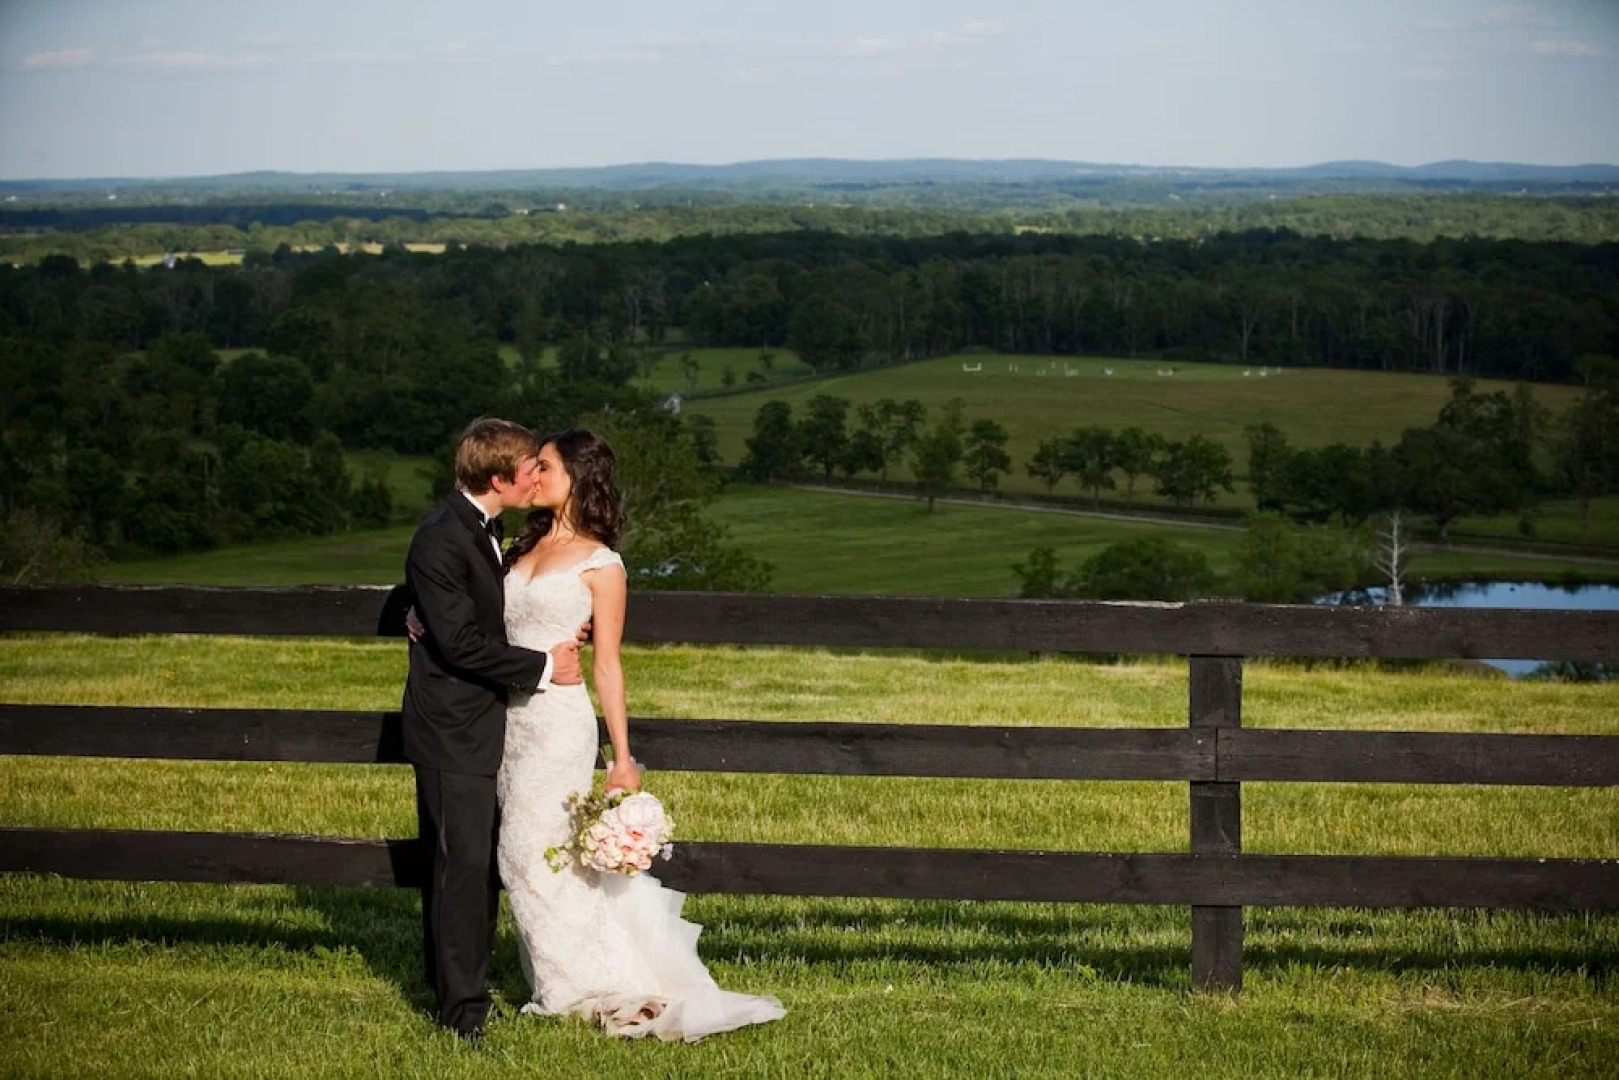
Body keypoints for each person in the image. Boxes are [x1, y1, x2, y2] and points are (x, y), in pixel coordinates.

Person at [418, 426, 785, 1041]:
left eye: (548, 468)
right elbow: (472, 615)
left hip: (558, 724)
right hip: (502, 722)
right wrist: (418, 613)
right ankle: (560, 977)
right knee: (527, 856)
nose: (536, 476)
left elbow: (608, 665)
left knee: (529, 852)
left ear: (576, 483)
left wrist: (622, 755)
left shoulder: (601, 564)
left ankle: (585, 983)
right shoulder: (512, 548)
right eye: (533, 468)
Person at [400, 417, 588, 1040]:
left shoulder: (481, 525)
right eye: (531, 467)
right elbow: (458, 641)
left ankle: (458, 990)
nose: (538, 474)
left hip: (482, 725)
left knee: (469, 865)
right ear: (501, 478)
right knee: (462, 867)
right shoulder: (440, 536)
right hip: (452, 728)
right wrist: (541, 665)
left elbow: (468, 605)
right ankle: (462, 1014)